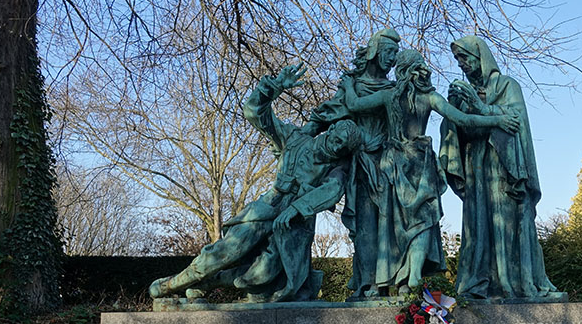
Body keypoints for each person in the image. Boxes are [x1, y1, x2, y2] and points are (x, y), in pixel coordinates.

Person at [149, 64, 363, 302]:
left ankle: (209, 283)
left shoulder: (337, 168)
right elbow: (255, 113)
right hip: (269, 206)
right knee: (227, 250)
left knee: (263, 274)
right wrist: (274, 88)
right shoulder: (294, 139)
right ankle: (172, 284)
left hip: (295, 224)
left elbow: (332, 191)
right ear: (331, 131)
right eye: (338, 139)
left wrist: (295, 209)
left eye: (344, 146)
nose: (338, 146)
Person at [342, 49, 520, 293]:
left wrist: (349, 83)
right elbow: (463, 120)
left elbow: (354, 104)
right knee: (423, 219)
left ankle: (400, 278)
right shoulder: (430, 97)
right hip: (421, 161)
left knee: (396, 224)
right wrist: (496, 121)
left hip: (394, 162)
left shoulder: (389, 95)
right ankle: (413, 274)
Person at [439, 35, 558, 299]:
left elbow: (516, 123)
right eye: (458, 59)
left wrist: (481, 109)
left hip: (503, 169)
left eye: (465, 57)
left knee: (507, 223)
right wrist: (458, 115)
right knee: (478, 227)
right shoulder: (462, 91)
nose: (462, 64)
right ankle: (478, 284)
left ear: (480, 57)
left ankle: (513, 283)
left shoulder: (507, 86)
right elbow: (455, 128)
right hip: (476, 168)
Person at [304, 29, 401, 299]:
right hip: (361, 166)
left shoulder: (390, 91)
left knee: (388, 226)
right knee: (366, 226)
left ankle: (385, 282)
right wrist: (299, 141)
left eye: (395, 55)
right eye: (389, 53)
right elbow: (326, 115)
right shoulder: (355, 86)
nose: (393, 60)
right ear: (375, 52)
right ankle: (367, 282)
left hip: (387, 164)